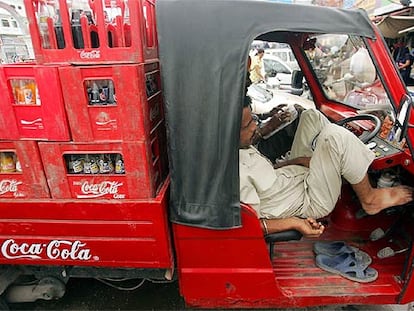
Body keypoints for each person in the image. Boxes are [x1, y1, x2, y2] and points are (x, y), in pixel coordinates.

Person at [239, 96, 413, 238]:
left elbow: (265, 173)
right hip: (308, 199)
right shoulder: (232, 175)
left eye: (253, 119)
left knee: (311, 116)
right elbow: (247, 224)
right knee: (335, 136)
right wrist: (296, 223)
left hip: (288, 178)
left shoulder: (235, 147)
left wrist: (295, 162)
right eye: (248, 125)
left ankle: (340, 163)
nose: (255, 126)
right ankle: (370, 199)